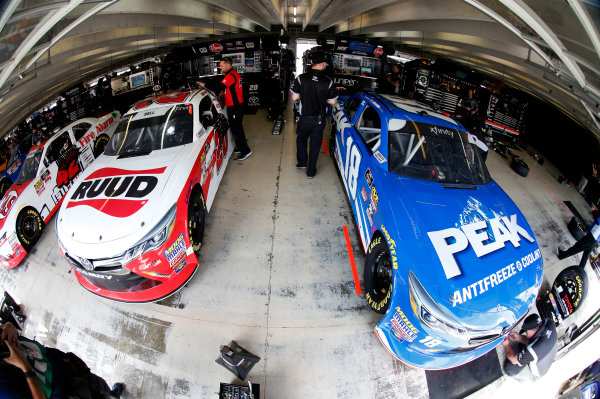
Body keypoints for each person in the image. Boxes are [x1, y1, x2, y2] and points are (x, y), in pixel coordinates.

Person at [0, 322, 124, 398]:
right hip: (64, 392)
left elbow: (8, 329)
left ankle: (113, 395)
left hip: (59, 365)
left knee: (98, 384)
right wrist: (25, 367)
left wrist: (9, 326)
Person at [290, 51, 338, 179]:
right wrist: (323, 99)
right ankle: (311, 172)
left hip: (304, 118)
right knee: (315, 145)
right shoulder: (328, 81)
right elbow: (333, 101)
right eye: (325, 64)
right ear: (321, 64)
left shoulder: (300, 78)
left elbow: (294, 98)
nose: (326, 66)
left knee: (301, 139)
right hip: (319, 120)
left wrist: (304, 95)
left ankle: (302, 163)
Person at [501, 313, 558, 381]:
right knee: (524, 345)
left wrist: (506, 344)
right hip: (547, 353)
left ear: (530, 330)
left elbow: (513, 359)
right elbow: (536, 341)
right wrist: (519, 338)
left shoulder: (534, 350)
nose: (525, 333)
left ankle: (527, 380)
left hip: (538, 371)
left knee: (509, 368)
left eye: (526, 332)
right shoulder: (549, 323)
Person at [218, 57, 251, 161]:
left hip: (235, 106)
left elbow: (218, 85)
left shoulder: (231, 75)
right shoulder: (231, 74)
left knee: (237, 128)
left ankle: (246, 150)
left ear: (228, 65)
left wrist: (204, 84)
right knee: (234, 127)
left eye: (222, 65)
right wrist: (223, 90)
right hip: (233, 106)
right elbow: (227, 86)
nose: (220, 67)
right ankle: (241, 147)